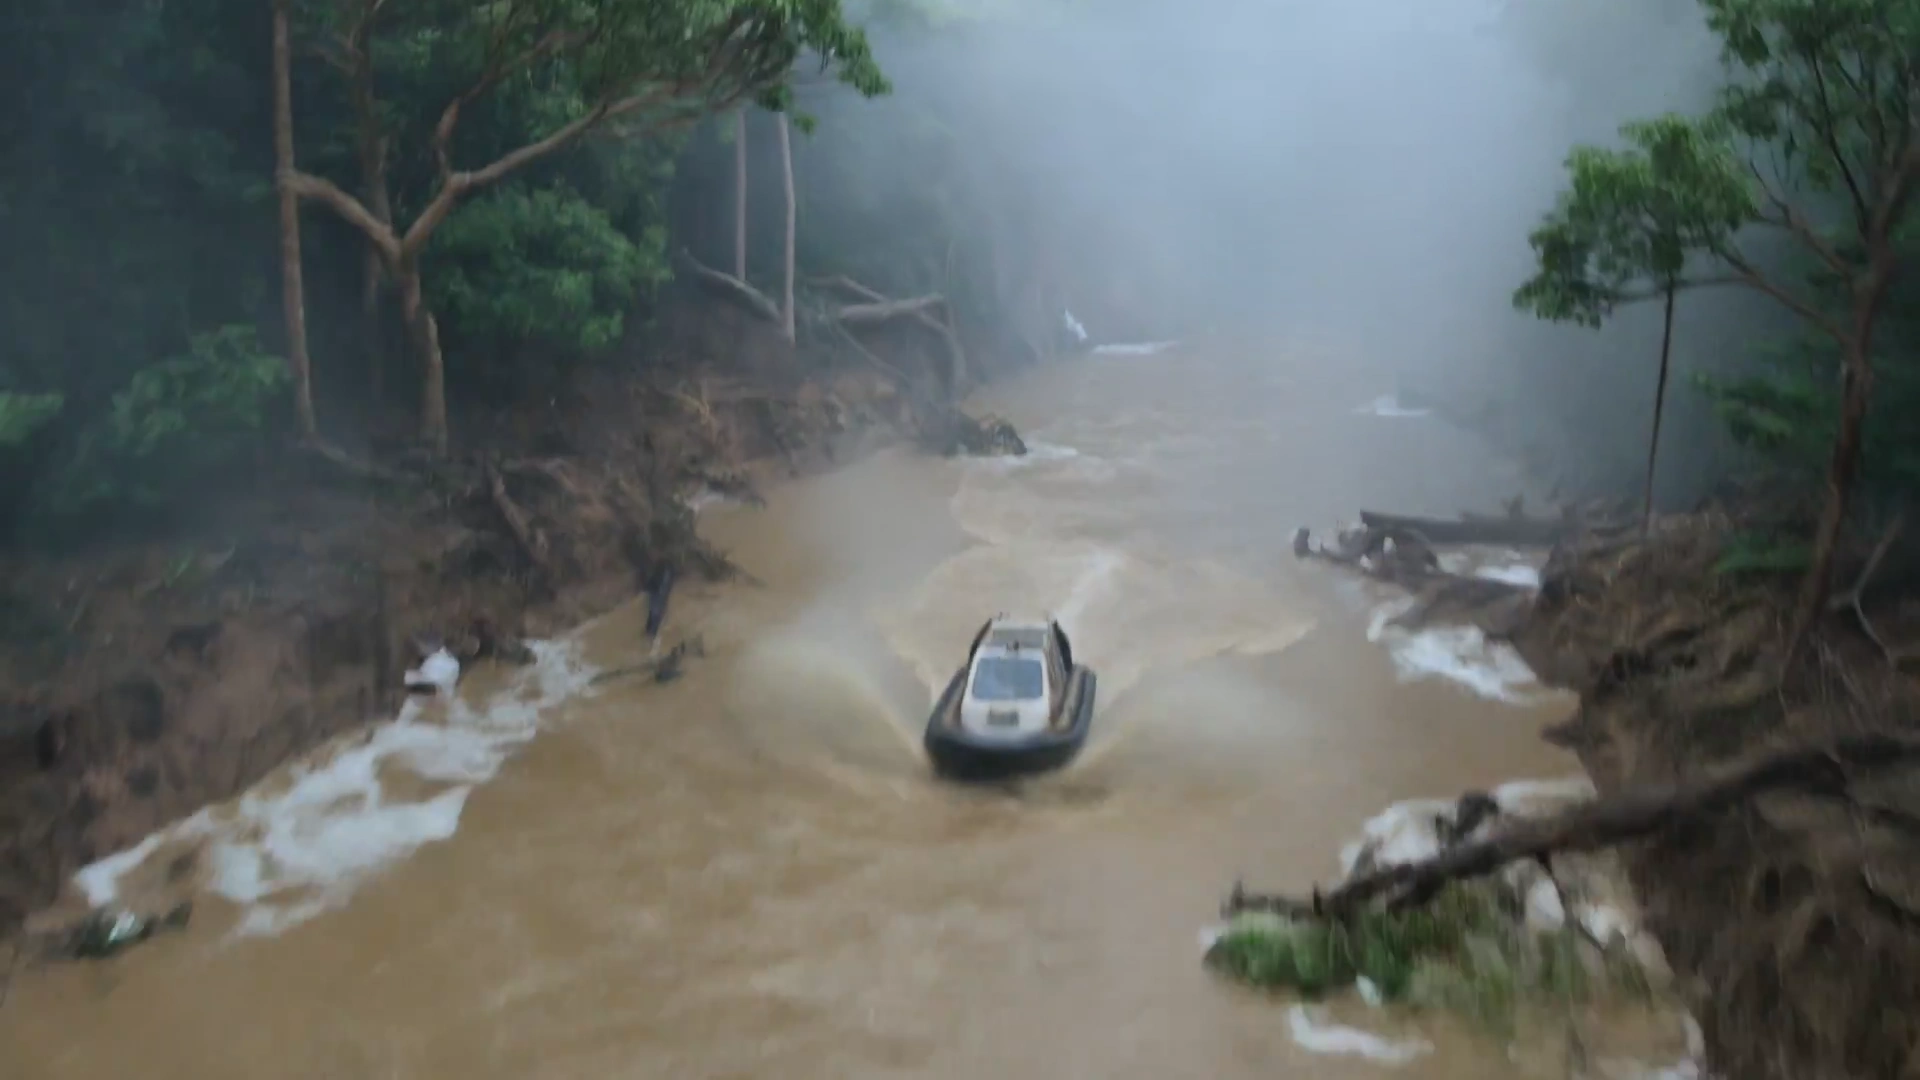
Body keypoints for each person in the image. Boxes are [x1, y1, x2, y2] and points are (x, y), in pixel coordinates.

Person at [644, 561, 676, 657]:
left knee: (655, 614)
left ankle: (652, 636)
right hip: (657, 593)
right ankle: (652, 635)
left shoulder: (664, 572)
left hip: (657, 594)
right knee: (656, 614)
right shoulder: (664, 573)